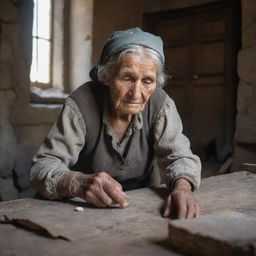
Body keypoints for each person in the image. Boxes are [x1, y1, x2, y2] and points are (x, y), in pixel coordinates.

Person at [30, 27, 201, 219]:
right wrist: (77, 182)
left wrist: (183, 186)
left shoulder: (161, 104)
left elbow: (179, 157)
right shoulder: (81, 103)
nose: (136, 94)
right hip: (85, 206)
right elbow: (43, 166)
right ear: (107, 76)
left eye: (147, 81)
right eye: (127, 78)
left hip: (144, 205)